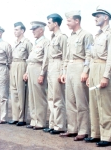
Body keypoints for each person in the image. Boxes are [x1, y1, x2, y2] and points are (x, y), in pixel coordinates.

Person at [60, 11, 93, 141]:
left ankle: (83, 130)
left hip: (80, 67)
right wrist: (64, 72)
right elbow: (66, 57)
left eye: (69, 21)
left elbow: (89, 54)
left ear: (76, 21)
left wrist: (85, 71)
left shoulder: (87, 35)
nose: (67, 23)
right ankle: (72, 128)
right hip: (70, 69)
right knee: (70, 101)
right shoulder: (70, 37)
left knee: (81, 101)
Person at [84, 6, 111, 147]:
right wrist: (88, 74)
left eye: (98, 15)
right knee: (94, 103)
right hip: (94, 68)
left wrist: (106, 76)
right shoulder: (97, 35)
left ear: (106, 17)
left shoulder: (109, 33)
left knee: (104, 103)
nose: (95, 18)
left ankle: (107, 136)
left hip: (103, 67)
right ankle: (96, 134)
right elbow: (91, 55)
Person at [43, 13, 67, 134]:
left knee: (58, 98)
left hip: (58, 66)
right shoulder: (52, 37)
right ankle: (53, 124)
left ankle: (60, 125)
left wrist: (63, 72)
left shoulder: (62, 37)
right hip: (51, 66)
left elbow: (65, 56)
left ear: (55, 23)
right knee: (51, 98)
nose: (48, 25)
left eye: (49, 22)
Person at [23, 21, 49, 130]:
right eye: (32, 29)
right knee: (32, 97)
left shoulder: (45, 42)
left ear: (41, 30)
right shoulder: (36, 43)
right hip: (31, 67)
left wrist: (42, 74)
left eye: (35, 29)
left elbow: (45, 59)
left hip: (38, 69)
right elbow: (31, 59)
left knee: (39, 97)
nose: (33, 31)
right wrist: (27, 72)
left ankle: (40, 122)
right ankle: (34, 120)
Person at [8, 22, 32, 126]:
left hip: (22, 64)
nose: (15, 31)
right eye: (14, 29)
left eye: (17, 29)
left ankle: (22, 118)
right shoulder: (14, 43)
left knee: (21, 92)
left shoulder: (27, 42)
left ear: (22, 30)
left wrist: (27, 72)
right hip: (13, 65)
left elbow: (31, 58)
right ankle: (15, 117)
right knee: (14, 92)